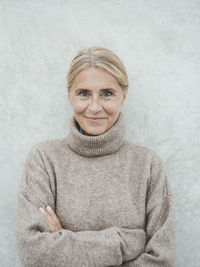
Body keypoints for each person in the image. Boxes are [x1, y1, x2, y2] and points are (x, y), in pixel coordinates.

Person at [15, 46, 176, 267]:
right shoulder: (44, 160)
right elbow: (34, 254)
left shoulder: (148, 165)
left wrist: (65, 243)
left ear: (123, 96)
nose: (94, 107)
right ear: (69, 95)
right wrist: (125, 241)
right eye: (83, 94)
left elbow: (162, 259)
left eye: (107, 94)